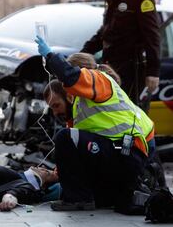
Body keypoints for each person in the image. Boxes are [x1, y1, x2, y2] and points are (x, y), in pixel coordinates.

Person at [36, 36, 156, 214]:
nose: (66, 87)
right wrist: (55, 174)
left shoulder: (100, 79)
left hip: (128, 152)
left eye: (56, 106)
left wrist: (51, 57)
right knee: (106, 199)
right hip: (123, 153)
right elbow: (75, 154)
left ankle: (78, 200)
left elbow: (70, 76)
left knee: (64, 136)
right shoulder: (80, 106)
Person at [81, 0, 160, 111]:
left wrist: (152, 72)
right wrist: (84, 52)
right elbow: (105, 33)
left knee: (128, 116)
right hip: (111, 68)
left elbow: (152, 37)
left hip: (131, 70)